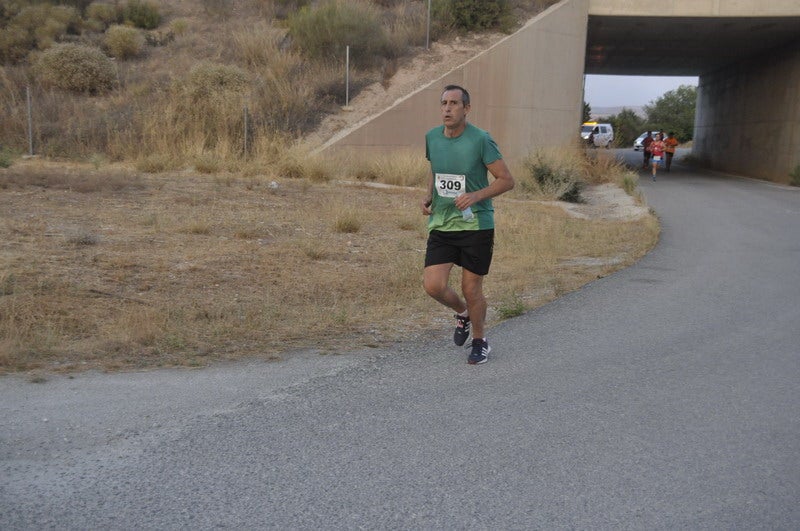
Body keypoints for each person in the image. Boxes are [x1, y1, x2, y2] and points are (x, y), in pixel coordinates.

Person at [421, 85, 515, 365]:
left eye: (454, 103)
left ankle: (479, 339)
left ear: (467, 108)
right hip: (442, 223)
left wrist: (476, 195)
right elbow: (435, 170)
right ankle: (463, 313)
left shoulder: (481, 140)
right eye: (444, 103)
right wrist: (429, 195)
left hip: (476, 225)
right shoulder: (431, 137)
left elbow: (506, 180)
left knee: (472, 288)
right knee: (433, 286)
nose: (447, 109)